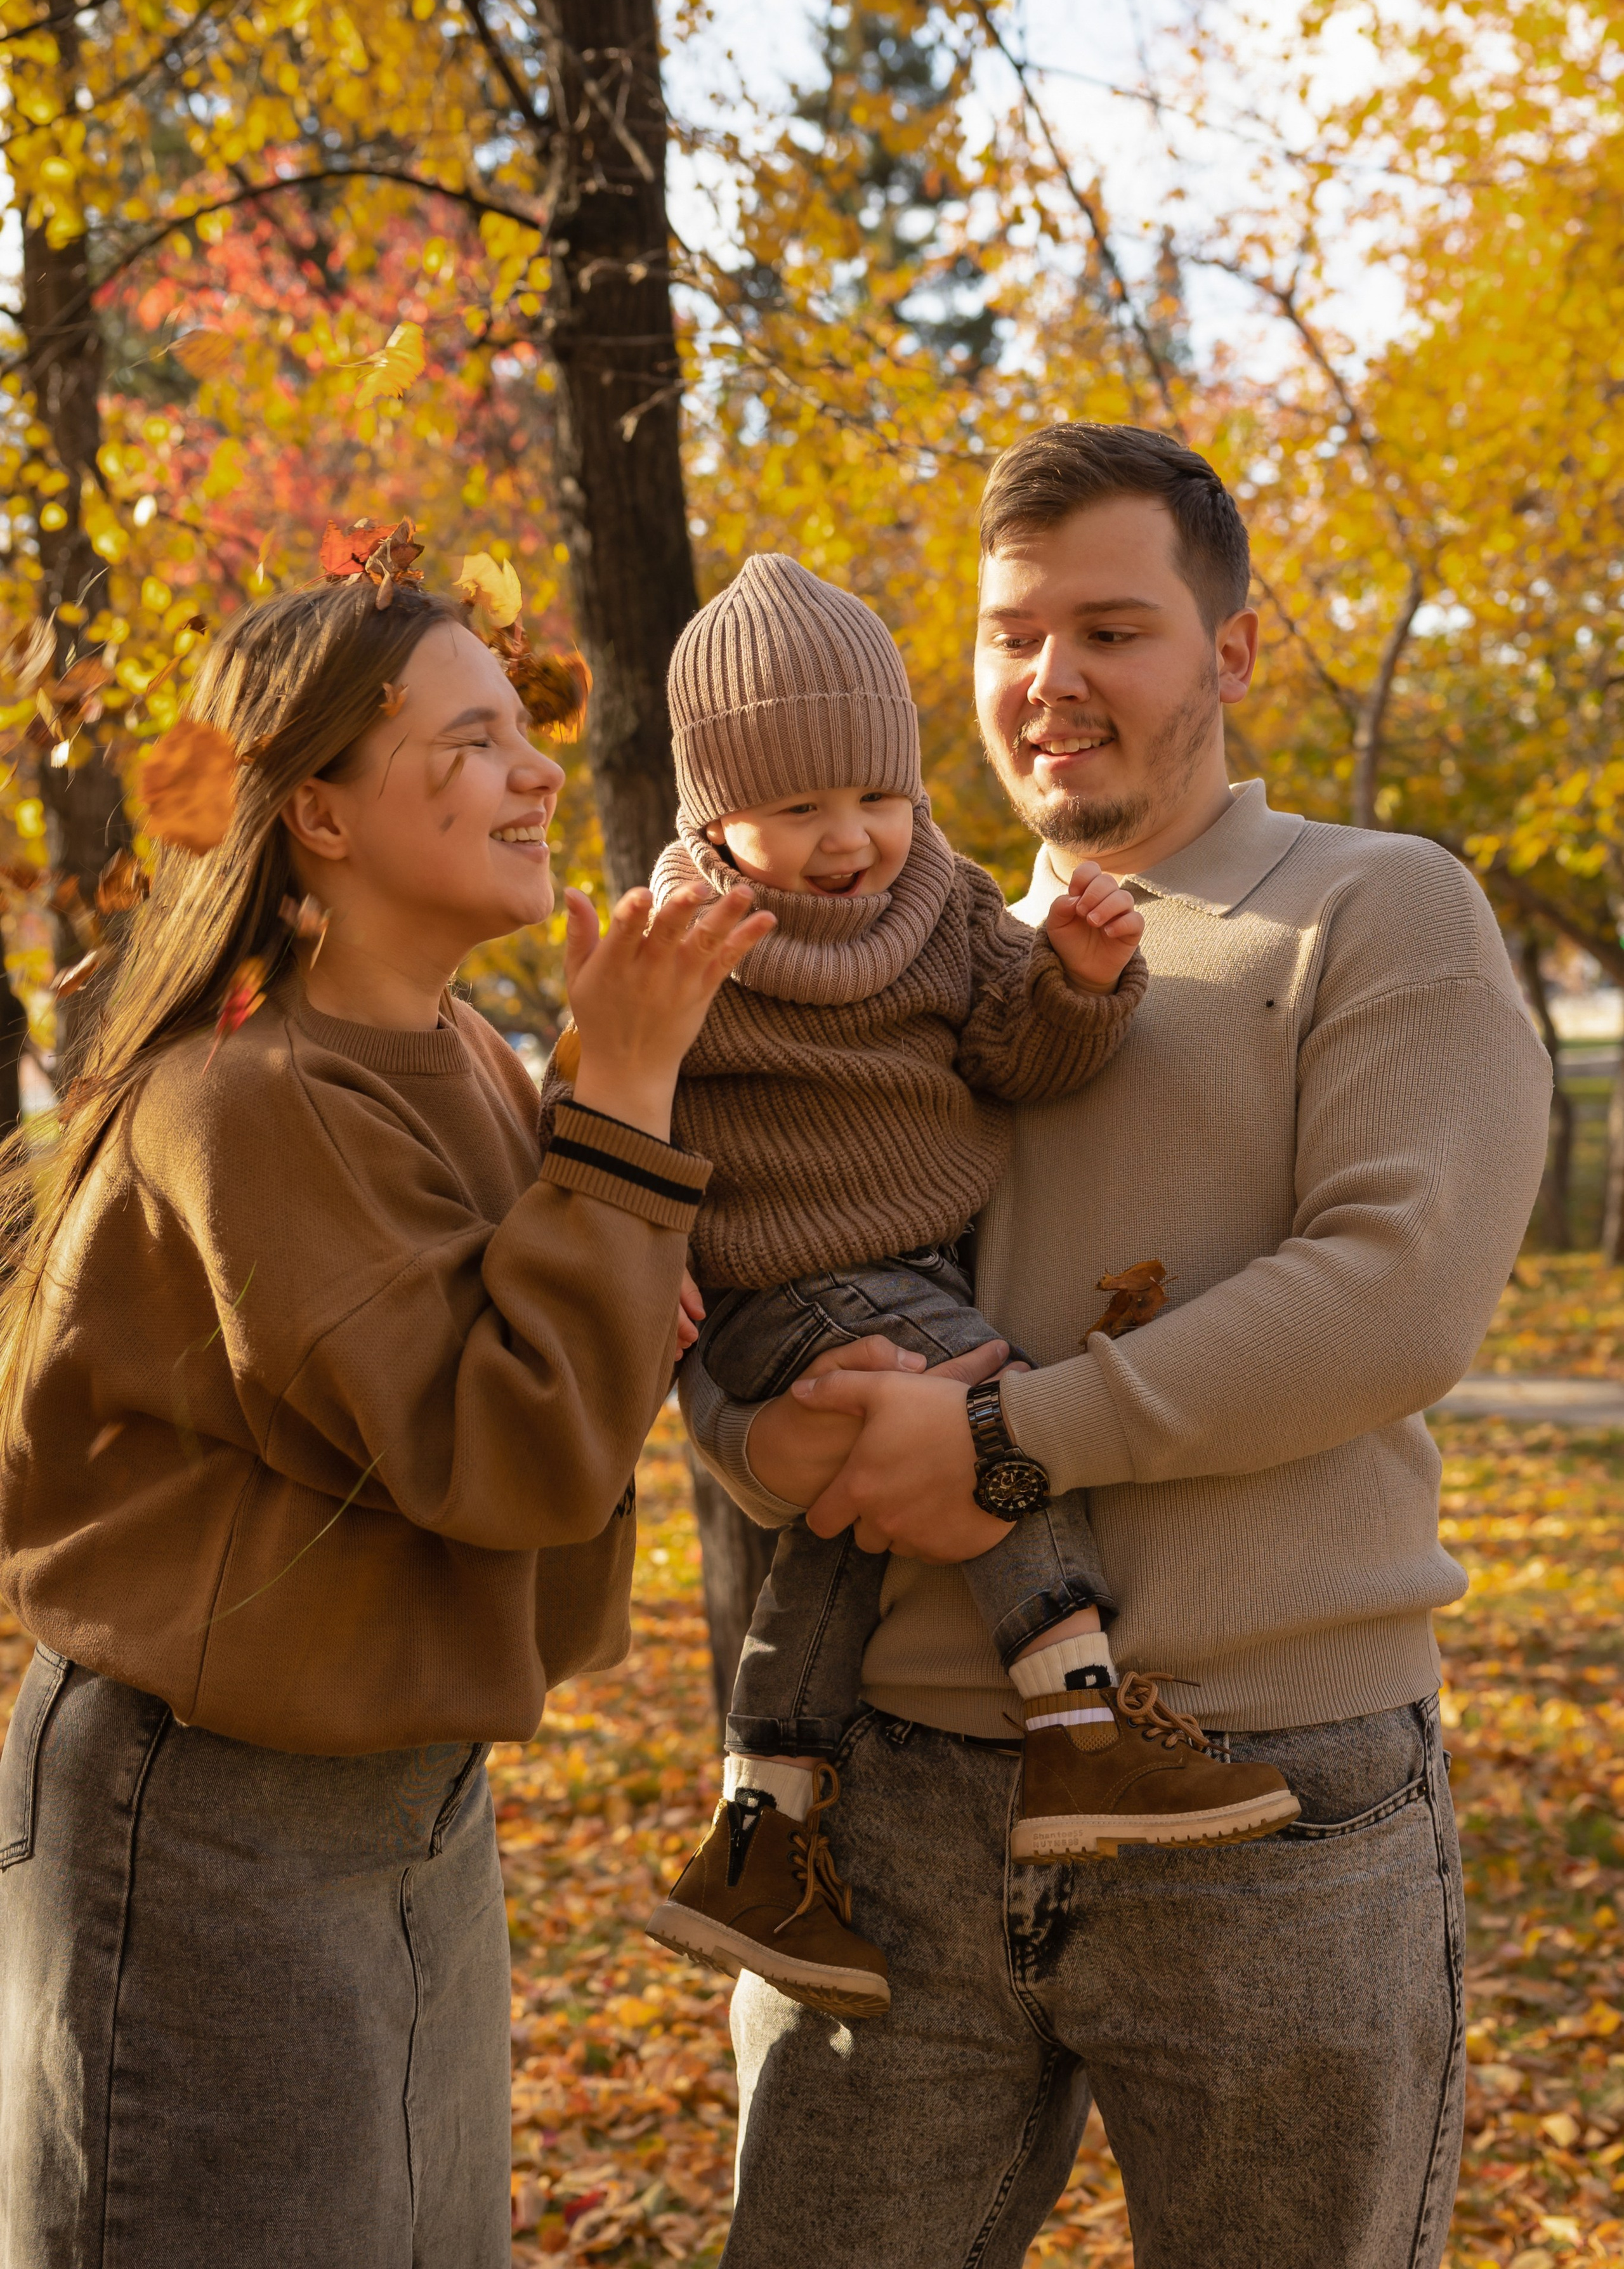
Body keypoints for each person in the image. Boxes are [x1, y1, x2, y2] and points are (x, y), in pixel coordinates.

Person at [683, 424, 1552, 2269]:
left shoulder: (1373, 904)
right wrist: (748, 1440)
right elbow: (752, 1253)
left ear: (1232, 654)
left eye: (1112, 628)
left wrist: (1011, 1445)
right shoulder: (905, 952)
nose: (1047, 682)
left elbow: (1396, 1294)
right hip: (893, 1800)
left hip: (1270, 1789)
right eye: (1009, 635)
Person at [0, 562, 769, 2268]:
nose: (540, 772)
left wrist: (612, 1251)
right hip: (210, 1821)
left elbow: (537, 1400)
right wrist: (630, 1103)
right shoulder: (244, 1100)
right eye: (475, 737)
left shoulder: (483, 1068)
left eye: (523, 731)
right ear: (321, 812)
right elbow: (509, 1451)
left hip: (410, 1803)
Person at [543, 553, 1296, 2020]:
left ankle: (763, 1823)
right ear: (714, 815)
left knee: (850, 1533)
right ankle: (1078, 1727)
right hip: (780, 1285)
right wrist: (644, 1258)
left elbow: (1016, 1062)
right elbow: (589, 1107)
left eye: (874, 799)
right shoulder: (684, 934)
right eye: (802, 810)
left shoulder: (944, 898)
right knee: (999, 1411)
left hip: (905, 1271)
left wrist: (1072, 982)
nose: (849, 843)